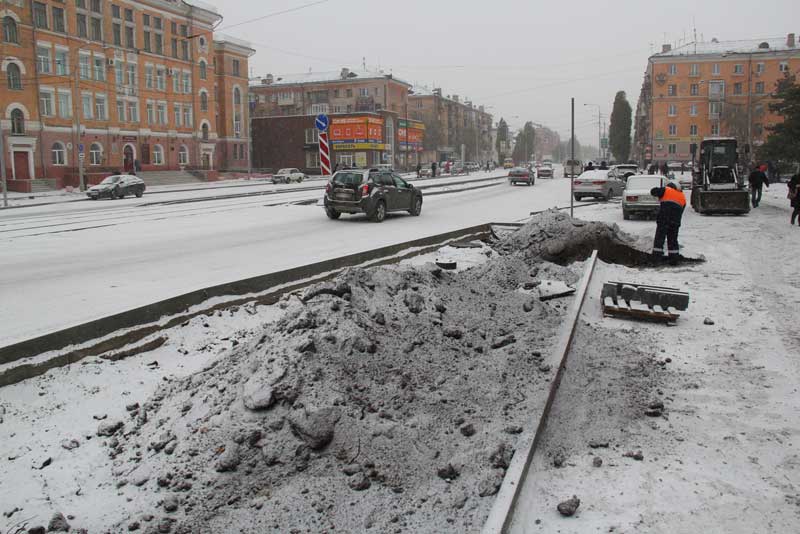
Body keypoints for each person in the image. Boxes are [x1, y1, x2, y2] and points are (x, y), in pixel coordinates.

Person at [650, 181, 687, 265]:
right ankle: (674, 259)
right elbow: (681, 211)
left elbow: (653, 191)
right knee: (673, 239)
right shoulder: (682, 197)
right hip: (675, 221)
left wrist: (657, 190)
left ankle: (656, 258)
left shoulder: (667, 190)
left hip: (664, 218)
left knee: (660, 238)